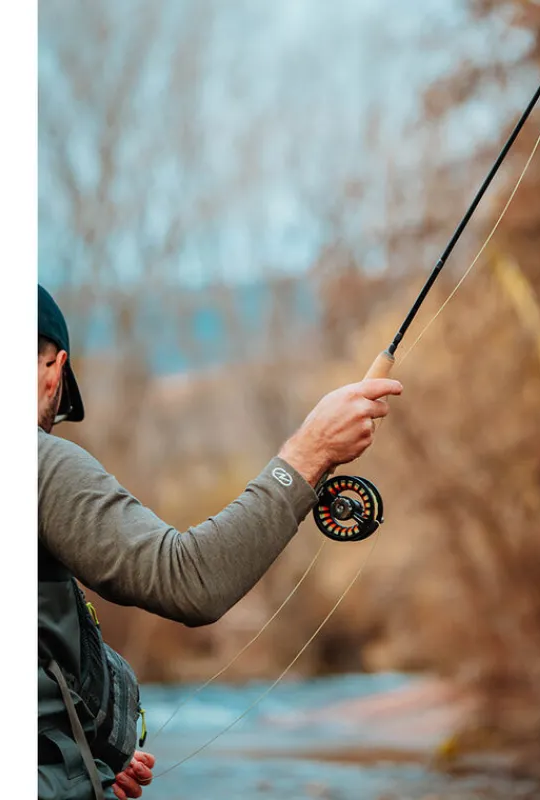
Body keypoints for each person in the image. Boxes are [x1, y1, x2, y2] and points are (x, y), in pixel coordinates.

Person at [37, 284, 402, 799]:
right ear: (54, 370)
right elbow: (188, 580)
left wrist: (75, 755)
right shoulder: (40, 463)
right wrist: (309, 453)